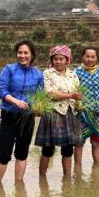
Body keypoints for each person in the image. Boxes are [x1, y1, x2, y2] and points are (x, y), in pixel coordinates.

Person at [0, 40, 44, 183]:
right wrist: (15, 101)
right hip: (9, 117)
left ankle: (19, 186)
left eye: (25, 53)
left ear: (32, 55)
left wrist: (36, 106)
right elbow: (2, 91)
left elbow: (40, 95)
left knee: (22, 154)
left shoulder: (38, 74)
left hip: (27, 118)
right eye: (19, 52)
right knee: (4, 154)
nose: (22, 55)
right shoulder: (8, 69)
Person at [35, 45, 82, 177]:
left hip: (70, 114)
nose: (58, 62)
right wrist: (70, 95)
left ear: (67, 60)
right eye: (55, 59)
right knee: (48, 149)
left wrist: (79, 102)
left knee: (67, 150)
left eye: (61, 59)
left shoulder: (73, 75)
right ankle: (42, 180)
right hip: (53, 113)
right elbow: (50, 93)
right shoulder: (47, 73)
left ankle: (66, 180)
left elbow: (78, 92)